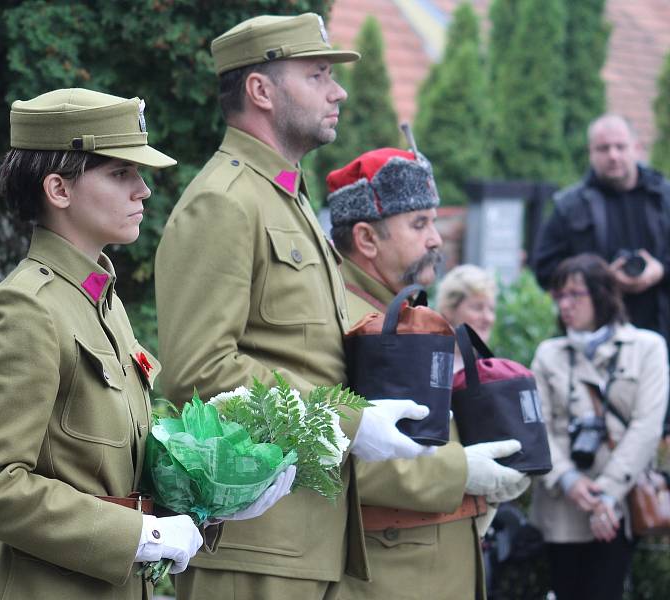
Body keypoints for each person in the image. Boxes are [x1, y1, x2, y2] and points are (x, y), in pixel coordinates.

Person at [155, 14, 435, 600]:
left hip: (305, 543)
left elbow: (305, 356)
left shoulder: (286, 197)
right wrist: (349, 424)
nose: (339, 91)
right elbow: (201, 373)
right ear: (260, 90)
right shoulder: (224, 202)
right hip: (256, 547)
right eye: (317, 75)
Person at [0, 88, 212, 599]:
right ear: (59, 189)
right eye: (120, 173)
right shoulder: (25, 308)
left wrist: (213, 481)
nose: (144, 191)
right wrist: (139, 534)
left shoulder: (101, 301)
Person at [327, 148, 528, 600]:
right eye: (420, 224)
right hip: (392, 576)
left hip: (436, 567)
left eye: (435, 222)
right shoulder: (341, 321)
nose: (437, 238)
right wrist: (461, 473)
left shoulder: (400, 311)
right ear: (366, 238)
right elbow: (335, 453)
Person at [530, 253, 668, 600]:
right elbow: (535, 424)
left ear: (602, 294)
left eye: (576, 294)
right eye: (559, 295)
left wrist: (606, 494)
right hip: (562, 501)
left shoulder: (646, 347)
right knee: (565, 589)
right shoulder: (549, 354)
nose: (565, 304)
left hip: (618, 502)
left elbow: (646, 426)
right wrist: (567, 479)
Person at [532, 114, 670, 433]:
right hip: (594, 353)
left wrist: (660, 271)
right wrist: (601, 279)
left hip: (663, 334)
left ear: (636, 146)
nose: (613, 155)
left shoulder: (664, 198)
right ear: (590, 153)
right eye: (603, 148)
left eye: (620, 146)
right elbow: (544, 270)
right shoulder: (569, 206)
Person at [436, 264, 497, 371]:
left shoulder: (493, 370)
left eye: (491, 309)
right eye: (477, 308)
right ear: (449, 310)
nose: (488, 318)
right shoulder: (428, 365)